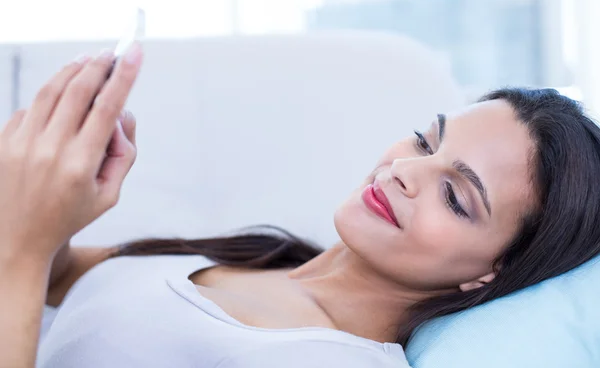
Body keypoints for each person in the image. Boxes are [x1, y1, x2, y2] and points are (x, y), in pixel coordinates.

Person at [1, 46, 600, 368]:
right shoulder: (266, 255)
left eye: (454, 195)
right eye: (426, 141)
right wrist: (57, 210)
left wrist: (22, 245)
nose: (406, 172)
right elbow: (59, 280)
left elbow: (23, 270)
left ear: (490, 272)